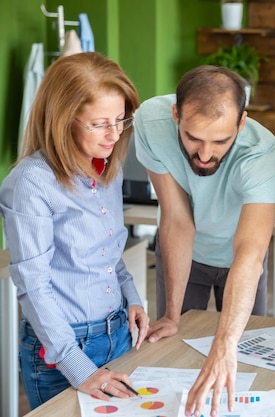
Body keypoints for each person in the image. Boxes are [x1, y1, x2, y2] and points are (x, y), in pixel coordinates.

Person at [0, 52, 150, 410]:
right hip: (65, 349)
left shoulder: (105, 167)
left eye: (120, 119)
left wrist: (132, 298)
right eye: (99, 123)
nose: (114, 134)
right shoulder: (31, 183)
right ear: (63, 120)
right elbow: (33, 285)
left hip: (118, 334)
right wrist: (79, 369)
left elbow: (109, 254)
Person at [132, 65, 275, 417]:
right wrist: (170, 314)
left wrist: (225, 344)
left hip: (239, 262)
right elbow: (177, 219)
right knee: (172, 351)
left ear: (241, 124)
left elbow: (251, 252)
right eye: (193, 137)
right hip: (186, 253)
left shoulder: (261, 152)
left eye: (220, 141)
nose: (203, 154)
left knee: (236, 357)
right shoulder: (151, 122)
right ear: (176, 115)